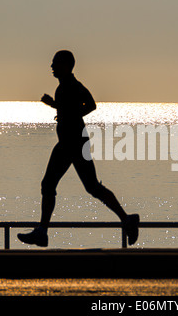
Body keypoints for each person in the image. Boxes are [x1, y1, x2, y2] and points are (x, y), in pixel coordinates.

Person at [18, 50, 139, 247]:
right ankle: (127, 219)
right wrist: (60, 109)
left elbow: (90, 105)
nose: (52, 67)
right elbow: (79, 107)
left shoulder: (72, 85)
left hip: (72, 143)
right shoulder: (66, 86)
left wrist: (57, 107)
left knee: (53, 185)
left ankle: (42, 232)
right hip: (70, 142)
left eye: (55, 63)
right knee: (88, 187)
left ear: (66, 65)